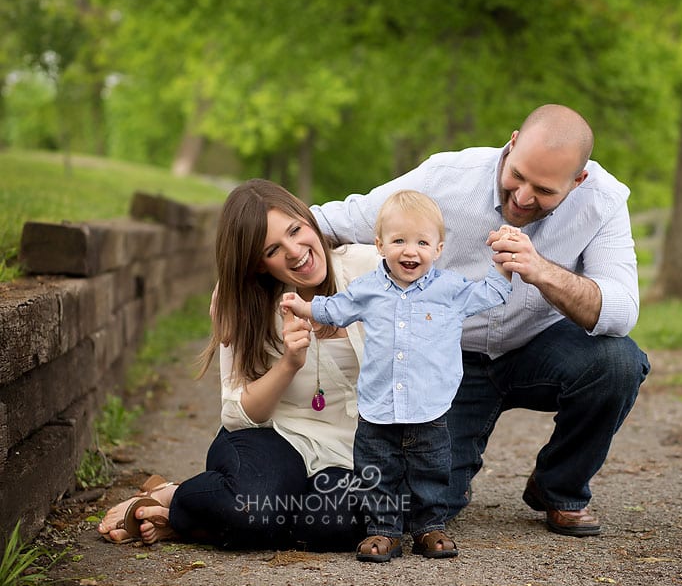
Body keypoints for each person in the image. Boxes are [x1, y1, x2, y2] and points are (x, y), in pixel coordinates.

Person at [312, 104, 652, 537]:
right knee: (425, 509)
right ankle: (457, 471)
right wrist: (248, 279)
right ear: (510, 146)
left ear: (578, 181)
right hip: (445, 360)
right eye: (518, 177)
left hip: (538, 347)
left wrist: (540, 269)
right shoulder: (445, 177)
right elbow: (331, 223)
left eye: (545, 191)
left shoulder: (603, 202)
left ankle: (559, 487)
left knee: (619, 362)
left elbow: (621, 310)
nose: (524, 197)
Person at [98, 178, 382, 550]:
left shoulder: (370, 269)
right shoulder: (247, 306)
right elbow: (238, 414)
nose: (296, 251)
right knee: (252, 513)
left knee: (329, 527)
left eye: (296, 230)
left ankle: (192, 519)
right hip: (277, 437)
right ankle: (180, 497)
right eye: (273, 249)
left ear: (309, 220)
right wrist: (288, 364)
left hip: (353, 450)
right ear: (259, 265)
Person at [281, 190, 513, 562]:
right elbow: (336, 309)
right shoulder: (368, 289)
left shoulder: (450, 291)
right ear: (380, 245)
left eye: (422, 242)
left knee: (433, 471)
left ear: (438, 249)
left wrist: (504, 262)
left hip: (429, 408)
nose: (411, 251)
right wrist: (304, 306)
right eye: (399, 240)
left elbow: (493, 293)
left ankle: (429, 526)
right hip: (377, 407)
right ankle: (382, 531)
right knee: (376, 473)